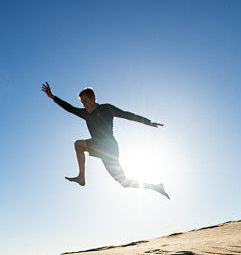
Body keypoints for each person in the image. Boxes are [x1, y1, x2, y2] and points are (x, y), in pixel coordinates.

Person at [41, 82, 170, 199]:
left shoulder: (107, 108)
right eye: (82, 103)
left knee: (78, 144)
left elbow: (127, 115)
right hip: (103, 151)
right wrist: (52, 96)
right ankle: (156, 187)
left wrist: (148, 122)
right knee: (124, 182)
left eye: (85, 101)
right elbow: (69, 108)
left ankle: (81, 176)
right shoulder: (85, 113)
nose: (84, 105)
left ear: (92, 98)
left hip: (109, 146)